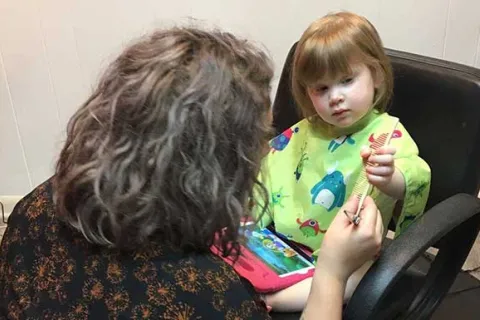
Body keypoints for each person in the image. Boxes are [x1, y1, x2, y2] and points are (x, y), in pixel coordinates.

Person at [0, 26, 382, 320]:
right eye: (257, 143)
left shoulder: (35, 208)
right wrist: (332, 274)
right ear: (210, 175)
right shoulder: (208, 298)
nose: (265, 151)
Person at [256, 11, 431, 311]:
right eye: (321, 89)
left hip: (350, 257)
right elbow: (267, 173)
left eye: (347, 81)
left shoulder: (387, 135)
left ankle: (270, 300)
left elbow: (416, 175)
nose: (335, 97)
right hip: (283, 245)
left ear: (375, 76)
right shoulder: (305, 131)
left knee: (359, 279)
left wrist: (390, 178)